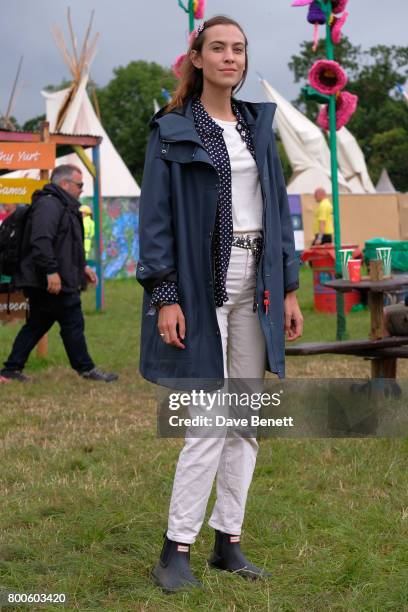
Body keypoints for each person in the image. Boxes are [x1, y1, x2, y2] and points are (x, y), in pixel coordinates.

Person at [136, 16, 303, 592]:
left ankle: (227, 542)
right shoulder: (173, 128)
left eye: (239, 49)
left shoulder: (259, 126)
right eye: (219, 49)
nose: (230, 57)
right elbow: (154, 218)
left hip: (257, 279)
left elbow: (278, 210)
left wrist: (287, 287)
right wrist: (165, 295)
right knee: (208, 423)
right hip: (201, 281)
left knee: (246, 422)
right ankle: (174, 549)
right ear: (198, 58)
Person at [1, 164, 118, 383]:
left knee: (37, 323)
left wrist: (83, 268)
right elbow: (41, 241)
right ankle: (86, 368)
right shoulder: (49, 205)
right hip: (48, 279)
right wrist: (51, 271)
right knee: (72, 320)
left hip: (53, 277)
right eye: (80, 184)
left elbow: (67, 246)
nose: (82, 189)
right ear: (64, 184)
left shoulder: (65, 206)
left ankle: (10, 370)